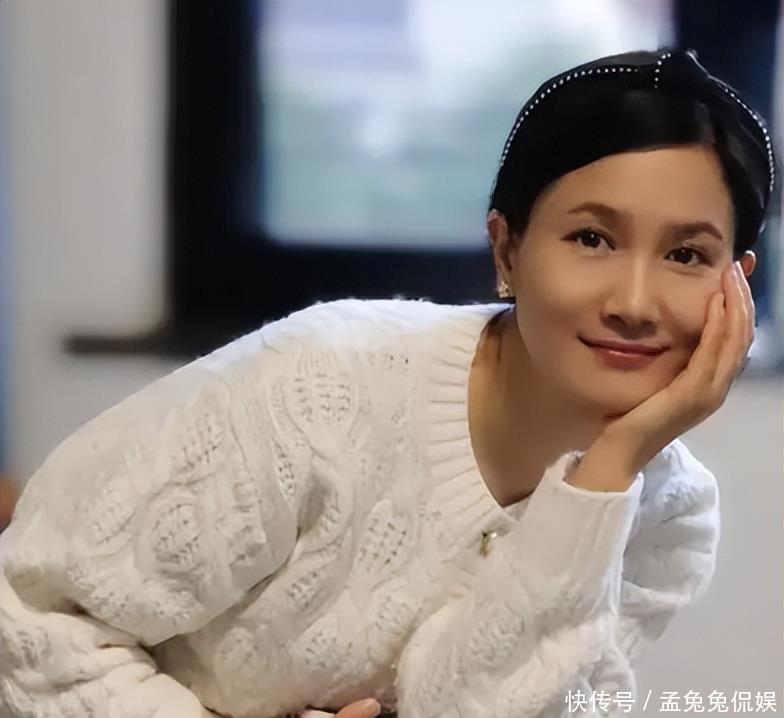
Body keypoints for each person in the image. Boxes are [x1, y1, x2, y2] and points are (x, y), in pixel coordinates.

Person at [0, 47, 777, 718]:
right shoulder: (321, 390)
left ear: (736, 284)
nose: (635, 303)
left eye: (686, 255)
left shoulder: (669, 519)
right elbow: (25, 621)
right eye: (592, 238)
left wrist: (609, 471)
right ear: (507, 249)